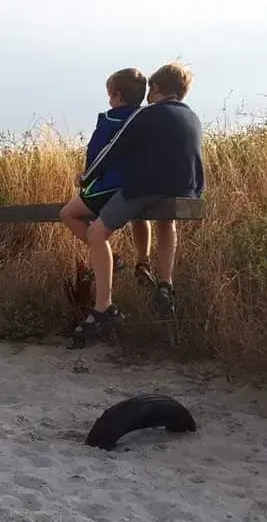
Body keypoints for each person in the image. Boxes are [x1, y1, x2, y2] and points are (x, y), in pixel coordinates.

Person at [73, 60, 205, 344]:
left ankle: (103, 308)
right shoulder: (192, 116)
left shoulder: (147, 115)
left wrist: (86, 178)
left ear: (156, 88)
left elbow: (112, 149)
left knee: (97, 232)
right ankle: (165, 281)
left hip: (149, 186)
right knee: (165, 221)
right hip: (188, 187)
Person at [58, 68, 154, 286]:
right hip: (141, 186)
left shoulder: (110, 119)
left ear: (117, 95)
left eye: (109, 94)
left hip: (109, 187)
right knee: (140, 216)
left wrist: (84, 179)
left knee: (68, 213)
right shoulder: (146, 119)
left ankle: (113, 258)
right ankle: (143, 261)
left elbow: (97, 153)